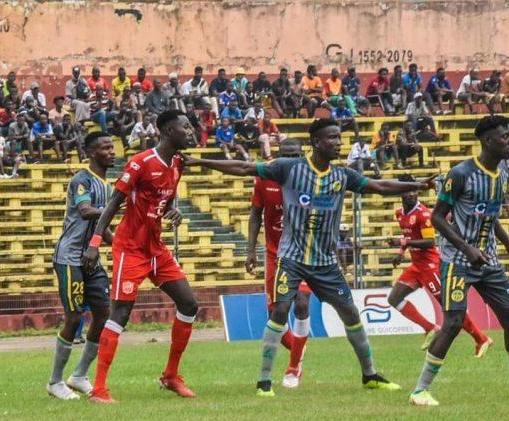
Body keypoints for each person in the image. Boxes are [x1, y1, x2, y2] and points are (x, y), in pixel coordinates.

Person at [183, 118, 438, 396]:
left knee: (351, 313)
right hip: (292, 258)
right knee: (280, 311)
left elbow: (379, 186)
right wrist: (201, 162)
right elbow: (244, 168)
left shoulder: (343, 176)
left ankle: (370, 374)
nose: (339, 143)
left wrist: (417, 185)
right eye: (333, 138)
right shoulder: (289, 168)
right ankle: (264, 381)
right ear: (316, 142)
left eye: (340, 138)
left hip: (326, 263)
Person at [410, 115, 509, 406]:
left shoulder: (502, 175)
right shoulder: (460, 174)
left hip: (488, 262)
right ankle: (420, 390)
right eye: (505, 136)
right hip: (458, 262)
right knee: (453, 322)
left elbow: (489, 215)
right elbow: (437, 217)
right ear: (488, 140)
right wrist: (467, 249)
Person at [81, 110, 194, 404]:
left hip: (156, 248)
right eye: (186, 127)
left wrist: (172, 210)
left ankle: (171, 375)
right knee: (120, 313)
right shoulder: (141, 162)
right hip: (130, 248)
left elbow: (163, 200)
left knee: (189, 304)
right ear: (169, 131)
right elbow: (113, 203)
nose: (192, 131)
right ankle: (99, 389)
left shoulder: (178, 163)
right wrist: (95, 242)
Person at [386, 174, 492, 354]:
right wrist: (401, 253)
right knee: (394, 298)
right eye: (408, 191)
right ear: (401, 193)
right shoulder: (400, 214)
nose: (412, 194)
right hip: (416, 266)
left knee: (450, 306)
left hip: (430, 266)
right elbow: (410, 238)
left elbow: (429, 242)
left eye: (414, 191)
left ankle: (481, 338)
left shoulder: (423, 215)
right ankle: (429, 328)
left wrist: (404, 244)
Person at [47, 133, 117, 400]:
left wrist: (120, 243)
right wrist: (118, 206)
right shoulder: (82, 179)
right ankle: (54, 381)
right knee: (75, 317)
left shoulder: (107, 185)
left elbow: (103, 226)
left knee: (103, 313)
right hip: (70, 258)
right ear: (91, 152)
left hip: (92, 258)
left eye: (112, 147)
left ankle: (78, 375)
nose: (111, 152)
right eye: (105, 148)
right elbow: (86, 211)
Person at [246, 138, 311, 388]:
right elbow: (255, 214)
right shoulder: (265, 177)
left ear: (302, 154)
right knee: (275, 314)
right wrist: (251, 251)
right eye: (285, 154)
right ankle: (298, 349)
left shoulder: (312, 178)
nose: (289, 159)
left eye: (294, 155)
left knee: (302, 303)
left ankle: (294, 367)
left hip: (305, 253)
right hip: (275, 253)